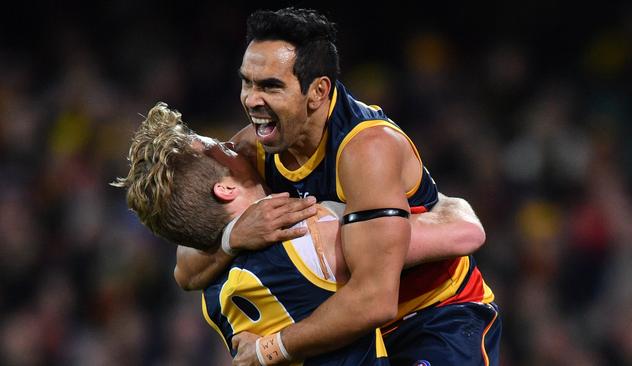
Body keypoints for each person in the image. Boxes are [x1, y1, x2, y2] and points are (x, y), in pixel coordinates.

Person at [176, 7, 500, 365]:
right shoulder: (256, 147)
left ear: (317, 91)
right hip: (347, 320)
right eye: (247, 82)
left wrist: (270, 349)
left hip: (434, 316)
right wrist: (234, 235)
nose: (252, 99)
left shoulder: (366, 150)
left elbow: (376, 298)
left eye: (270, 86)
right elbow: (186, 269)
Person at [113, 103, 489, 365]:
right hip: (438, 316)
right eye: (221, 148)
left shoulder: (214, 291)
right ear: (224, 189)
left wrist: (229, 237)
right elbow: (465, 232)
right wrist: (443, 200)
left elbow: (183, 270)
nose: (234, 144)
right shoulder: (315, 228)